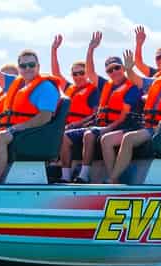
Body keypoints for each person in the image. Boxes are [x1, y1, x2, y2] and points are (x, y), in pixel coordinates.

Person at [0, 37, 60, 183]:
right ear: (19, 68)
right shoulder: (16, 84)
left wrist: (15, 128)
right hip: (17, 132)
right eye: (23, 66)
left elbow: (45, 117)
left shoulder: (46, 88)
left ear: (38, 66)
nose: (28, 68)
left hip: (34, 134)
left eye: (31, 65)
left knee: (1, 137)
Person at [106, 53, 161, 184]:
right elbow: (136, 79)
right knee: (108, 139)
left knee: (129, 138)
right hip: (150, 127)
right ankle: (114, 178)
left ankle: (113, 180)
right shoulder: (156, 83)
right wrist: (129, 69)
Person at [70, 36, 141, 183]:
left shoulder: (132, 86)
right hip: (104, 125)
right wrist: (90, 50)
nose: (114, 71)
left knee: (98, 137)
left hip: (125, 126)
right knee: (69, 136)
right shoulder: (105, 85)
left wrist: (108, 128)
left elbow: (123, 116)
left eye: (117, 67)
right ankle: (75, 175)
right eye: (110, 70)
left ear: (123, 68)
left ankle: (111, 179)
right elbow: (90, 73)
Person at [52, 33, 103, 182]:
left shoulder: (93, 90)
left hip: (86, 127)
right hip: (69, 128)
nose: (78, 76)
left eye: (82, 73)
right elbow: (56, 73)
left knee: (77, 134)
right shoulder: (69, 88)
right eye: (75, 74)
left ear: (86, 74)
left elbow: (95, 115)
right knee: (61, 136)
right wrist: (54, 50)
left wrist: (76, 124)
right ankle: (65, 176)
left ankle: (84, 174)